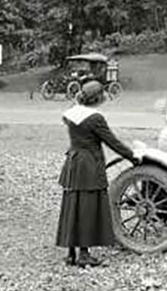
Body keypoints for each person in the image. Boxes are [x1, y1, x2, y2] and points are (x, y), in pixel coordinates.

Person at [56, 79, 141, 268]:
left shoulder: (70, 114)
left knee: (73, 205)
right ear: (97, 99)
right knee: (87, 208)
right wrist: (132, 156)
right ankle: (84, 254)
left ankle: (71, 253)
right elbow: (112, 141)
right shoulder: (95, 118)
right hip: (89, 166)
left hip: (73, 162)